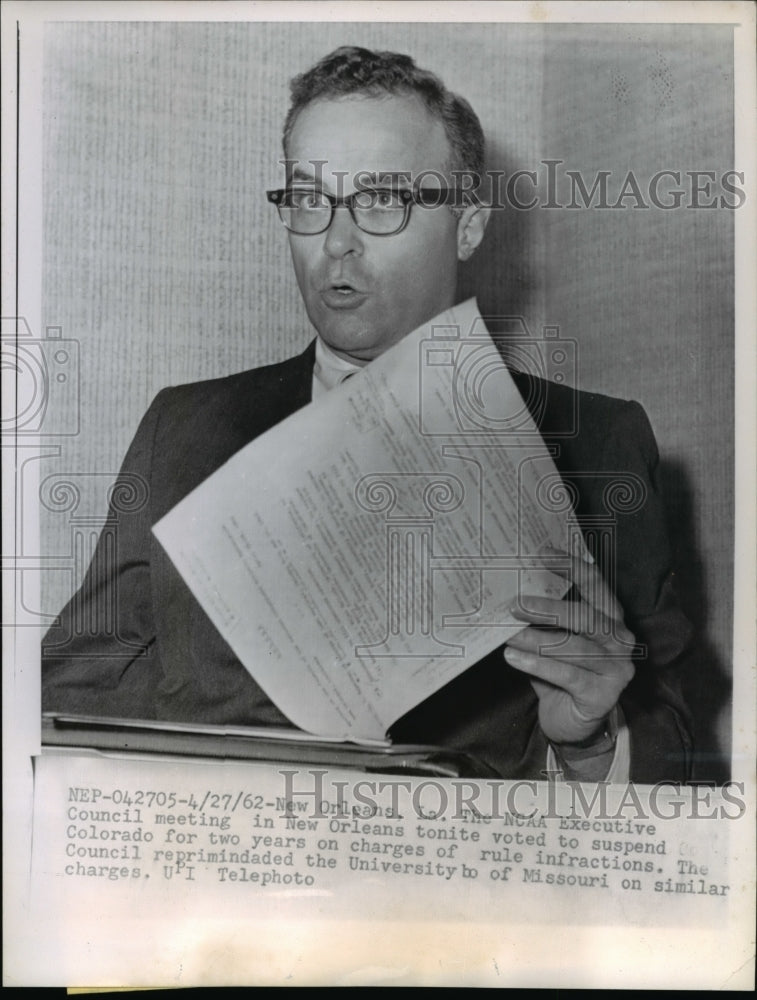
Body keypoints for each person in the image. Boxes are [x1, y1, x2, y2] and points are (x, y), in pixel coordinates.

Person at [42, 46, 693, 783]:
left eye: (383, 199)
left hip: (456, 883)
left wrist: (587, 743)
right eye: (309, 198)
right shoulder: (182, 429)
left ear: (469, 226)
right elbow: (66, 699)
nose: (336, 242)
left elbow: (674, 752)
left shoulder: (598, 446)